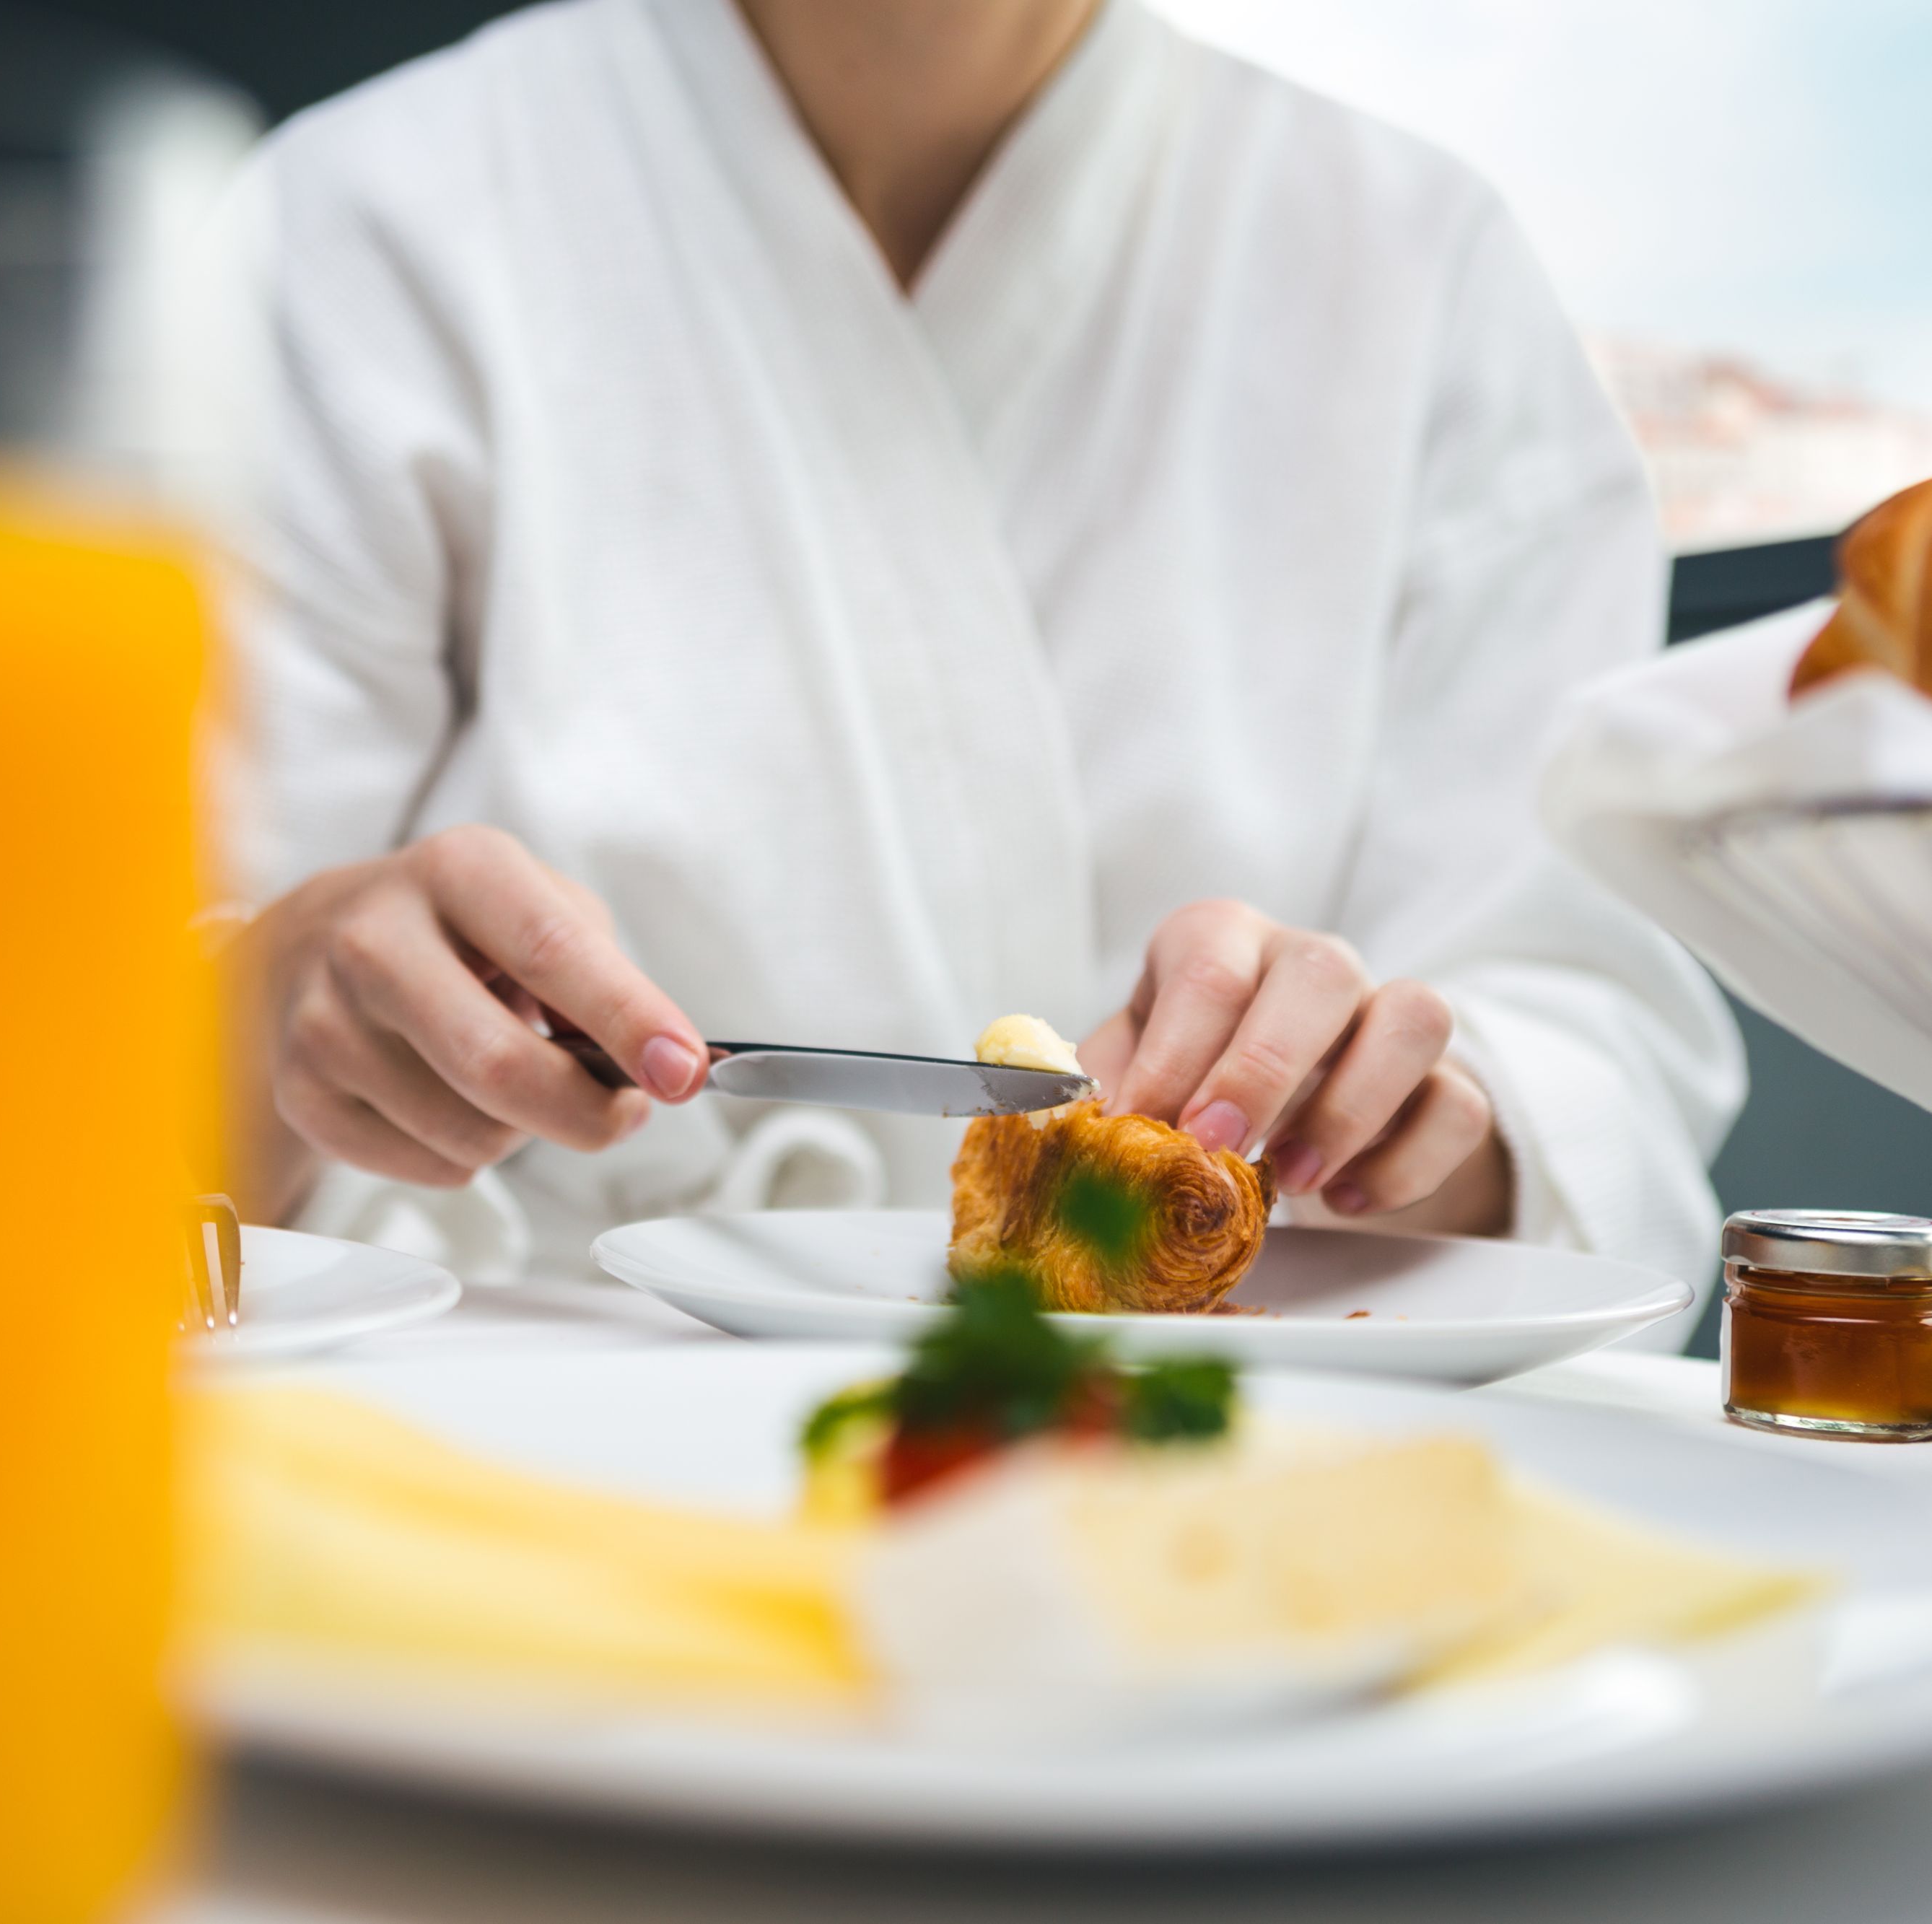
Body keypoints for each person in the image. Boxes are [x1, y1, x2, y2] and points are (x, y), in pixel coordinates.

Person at [214, 0, 1742, 1291]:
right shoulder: (359, 223)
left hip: (1211, 1478)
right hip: (487, 1444)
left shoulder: (1426, 271)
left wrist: (1407, 1114)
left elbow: (1593, 1076)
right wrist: (273, 1001)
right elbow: (46, 1090)